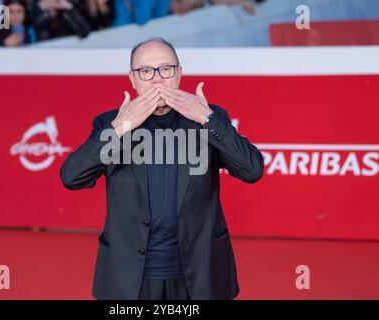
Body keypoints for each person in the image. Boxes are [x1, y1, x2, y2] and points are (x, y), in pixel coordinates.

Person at [60, 37, 264, 300]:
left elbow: (252, 170)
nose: (157, 79)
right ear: (132, 79)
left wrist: (207, 119)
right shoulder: (111, 124)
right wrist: (118, 129)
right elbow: (71, 177)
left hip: (199, 273)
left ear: (179, 74)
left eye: (165, 69)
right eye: (145, 71)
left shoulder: (207, 118)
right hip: (131, 277)